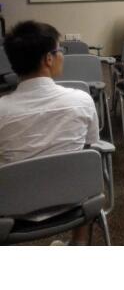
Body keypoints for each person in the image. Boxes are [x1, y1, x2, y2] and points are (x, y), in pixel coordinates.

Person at [0, 21, 100, 245]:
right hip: (75, 201)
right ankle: (79, 243)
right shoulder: (81, 100)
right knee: (85, 169)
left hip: (12, 208)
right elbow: (90, 146)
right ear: (48, 59)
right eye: (59, 50)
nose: (62, 55)